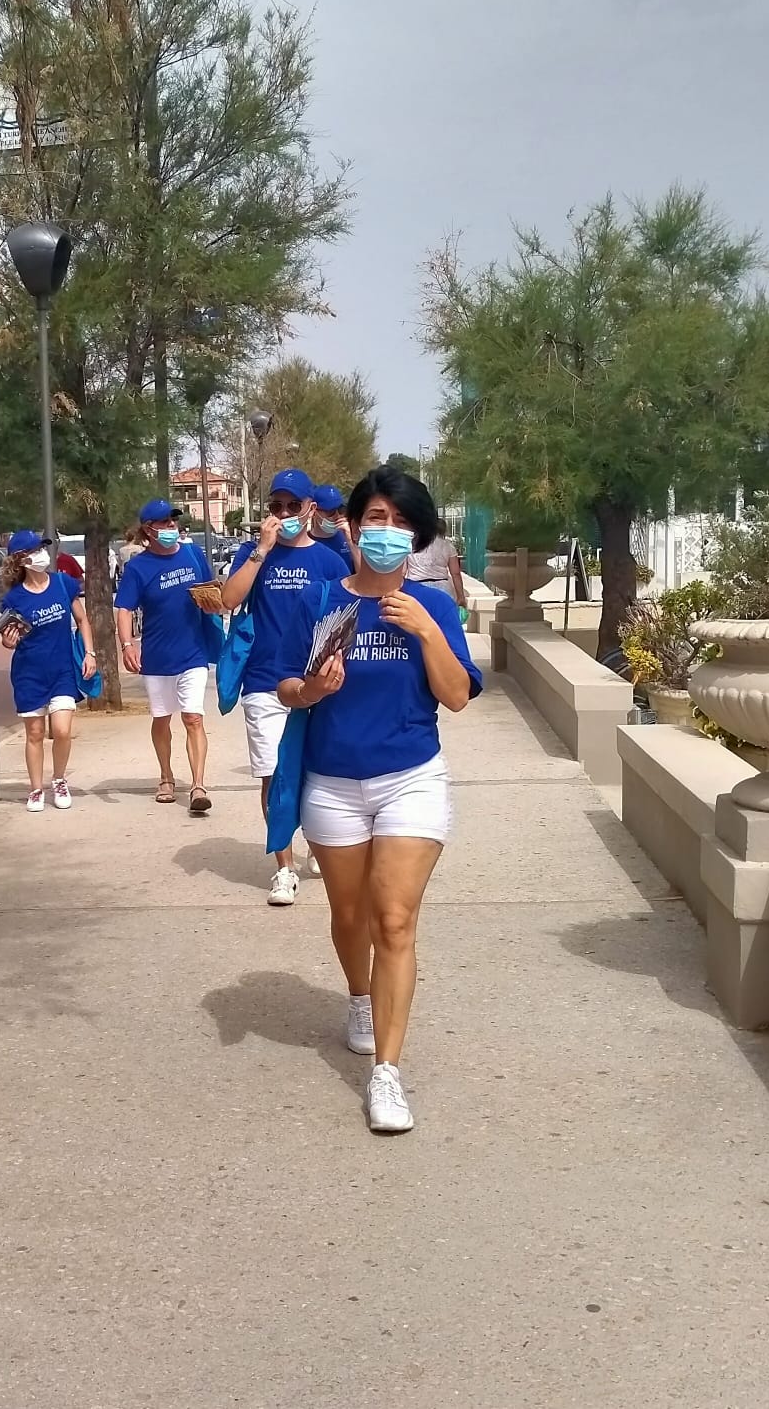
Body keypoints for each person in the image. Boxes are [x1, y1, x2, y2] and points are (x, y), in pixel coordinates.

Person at [276, 465, 480, 1134]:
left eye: (401, 522)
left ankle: (386, 1075)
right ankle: (360, 997)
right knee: (351, 912)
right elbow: (285, 687)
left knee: (394, 920)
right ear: (353, 524)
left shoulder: (436, 607)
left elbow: (455, 696)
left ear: (417, 536)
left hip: (409, 778)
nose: (387, 532)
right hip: (332, 783)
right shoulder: (321, 601)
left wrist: (424, 630)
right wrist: (312, 690)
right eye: (376, 518)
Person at [218, 468, 350, 905]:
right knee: (274, 776)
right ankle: (284, 868)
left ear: (311, 507)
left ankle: (315, 838)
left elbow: (350, 614)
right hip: (264, 680)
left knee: (315, 771)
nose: (285, 513)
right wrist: (260, 552)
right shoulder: (254, 554)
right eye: (277, 506)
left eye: (294, 505)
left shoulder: (330, 561)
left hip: (318, 681)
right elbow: (228, 600)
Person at [114, 498, 223, 815]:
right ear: (148, 529)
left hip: (193, 652)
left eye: (173, 521)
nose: (171, 527)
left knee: (193, 717)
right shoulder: (138, 567)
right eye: (163, 523)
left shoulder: (192, 554)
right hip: (158, 656)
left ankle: (198, 785)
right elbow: (124, 609)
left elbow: (211, 589)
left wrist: (214, 602)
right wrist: (127, 644)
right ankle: (165, 776)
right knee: (162, 719)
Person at [0, 529, 95, 812]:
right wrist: (7, 640)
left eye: (42, 548)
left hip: (63, 671)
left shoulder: (63, 583)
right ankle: (35, 789)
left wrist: (90, 653)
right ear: (21, 559)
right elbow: (8, 636)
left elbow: (83, 619)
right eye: (35, 550)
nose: (42, 554)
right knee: (35, 733)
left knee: (62, 731)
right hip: (29, 674)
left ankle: (59, 779)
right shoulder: (14, 599)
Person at [404, 526, 468, 613]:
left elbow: (402, 572)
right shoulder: (447, 545)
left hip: (416, 589)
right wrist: (461, 596)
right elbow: (455, 573)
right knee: (442, 623)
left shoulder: (410, 545)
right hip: (443, 589)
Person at [311, 483, 356, 569]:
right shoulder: (305, 541)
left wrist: (351, 542)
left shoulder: (350, 537)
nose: (337, 516)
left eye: (341, 510)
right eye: (330, 511)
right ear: (314, 511)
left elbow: (363, 575)